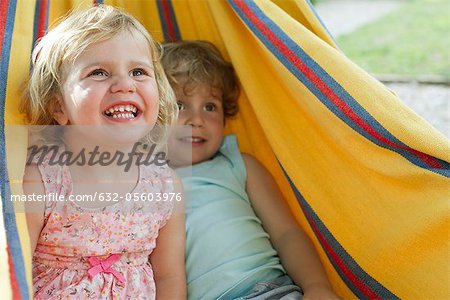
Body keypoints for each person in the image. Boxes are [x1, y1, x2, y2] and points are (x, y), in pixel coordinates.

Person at [20, 5, 185, 299]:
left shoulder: (164, 185)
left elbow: (169, 276)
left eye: (138, 71)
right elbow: (15, 274)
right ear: (59, 107)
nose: (125, 85)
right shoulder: (42, 182)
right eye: (99, 73)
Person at [162, 40, 339, 299]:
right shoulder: (139, 183)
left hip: (271, 291)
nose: (197, 120)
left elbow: (286, 234)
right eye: (179, 105)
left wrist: (317, 286)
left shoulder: (239, 166)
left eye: (210, 106)